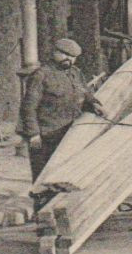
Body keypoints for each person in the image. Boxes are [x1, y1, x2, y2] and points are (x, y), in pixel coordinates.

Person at [21, 39, 106, 182]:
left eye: (73, 57)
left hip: (70, 133)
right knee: (44, 177)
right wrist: (33, 134)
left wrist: (94, 104)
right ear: (55, 53)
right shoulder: (41, 75)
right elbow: (28, 107)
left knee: (67, 174)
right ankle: (42, 204)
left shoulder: (76, 73)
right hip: (46, 135)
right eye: (65, 54)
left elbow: (85, 95)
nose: (69, 59)